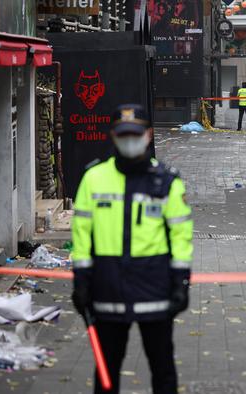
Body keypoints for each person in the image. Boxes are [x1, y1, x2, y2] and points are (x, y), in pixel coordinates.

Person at [71, 104, 193, 394]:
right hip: (107, 290)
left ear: (148, 135)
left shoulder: (166, 182)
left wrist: (181, 284)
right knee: (106, 375)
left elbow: (181, 237)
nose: (129, 140)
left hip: (155, 292)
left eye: (135, 134)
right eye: (123, 135)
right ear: (113, 136)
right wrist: (81, 282)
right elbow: (82, 235)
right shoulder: (93, 179)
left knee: (163, 371)